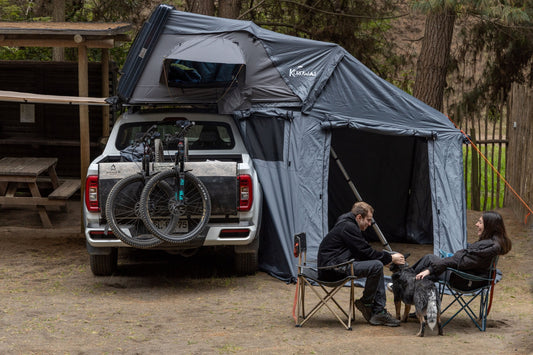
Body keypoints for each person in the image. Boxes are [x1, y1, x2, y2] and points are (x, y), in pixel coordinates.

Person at [317, 201, 405, 327]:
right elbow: (365, 251)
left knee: (376, 264)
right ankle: (368, 304)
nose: (369, 224)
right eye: (368, 220)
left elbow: (360, 251)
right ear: (359, 217)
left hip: (333, 265)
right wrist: (390, 258)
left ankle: (377, 310)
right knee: (376, 266)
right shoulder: (348, 227)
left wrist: (384, 259)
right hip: (332, 270)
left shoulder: (346, 222)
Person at [412, 210, 512, 285]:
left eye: (480, 222)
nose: (476, 224)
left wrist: (430, 269)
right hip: (467, 277)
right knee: (426, 272)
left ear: (490, 226)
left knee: (429, 259)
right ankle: (408, 280)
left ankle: (405, 278)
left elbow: (460, 262)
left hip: (463, 280)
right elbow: (462, 260)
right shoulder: (491, 244)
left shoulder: (488, 247)